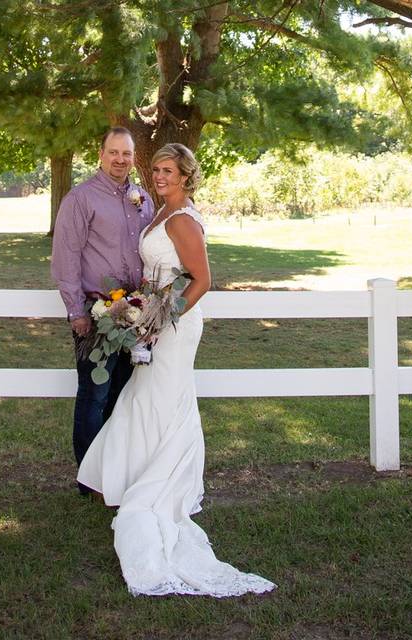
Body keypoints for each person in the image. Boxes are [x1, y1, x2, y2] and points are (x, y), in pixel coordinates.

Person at [77, 143, 276, 597]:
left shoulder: (183, 219)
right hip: (154, 320)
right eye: (156, 170)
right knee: (147, 399)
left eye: (168, 171)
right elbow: (157, 273)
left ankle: (160, 487)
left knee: (163, 399)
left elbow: (202, 279)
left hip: (175, 325)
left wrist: (159, 320)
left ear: (186, 176)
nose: (159, 176)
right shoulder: (161, 211)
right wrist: (136, 311)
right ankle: (134, 477)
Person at [50, 127, 156, 495]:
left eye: (126, 153)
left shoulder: (141, 197)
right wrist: (76, 312)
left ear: (133, 156)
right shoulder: (80, 199)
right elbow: (66, 258)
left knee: (123, 396)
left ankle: (114, 470)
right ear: (100, 154)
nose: (120, 160)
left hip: (135, 312)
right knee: (94, 394)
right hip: (96, 314)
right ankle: (88, 479)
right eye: (113, 152)